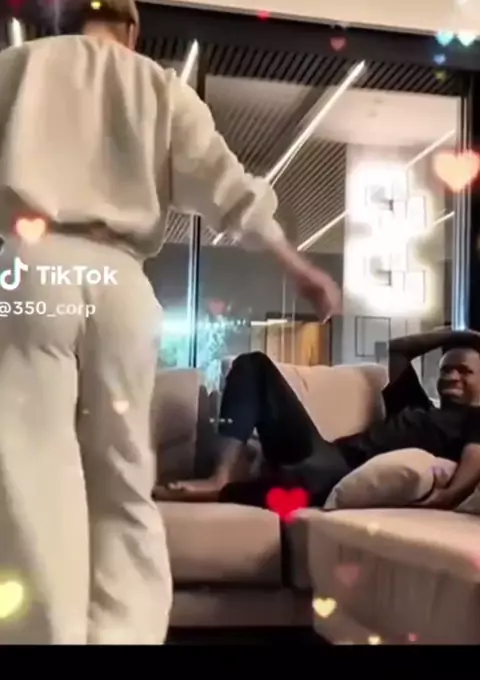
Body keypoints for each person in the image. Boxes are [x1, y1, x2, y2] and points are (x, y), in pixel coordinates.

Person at [0, 0, 340, 645]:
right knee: (123, 470)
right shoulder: (160, 88)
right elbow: (230, 190)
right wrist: (299, 268)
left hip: (32, 265)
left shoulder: (18, 67)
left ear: (62, 21)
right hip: (120, 281)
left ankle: (47, 636)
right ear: (132, 27)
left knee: (31, 461)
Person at [155, 328, 480, 511]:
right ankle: (220, 478)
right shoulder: (416, 404)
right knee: (252, 364)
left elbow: (474, 459)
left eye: (464, 371)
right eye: (446, 370)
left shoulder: (475, 419)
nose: (452, 376)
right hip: (327, 454)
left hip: (344, 474)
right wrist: (458, 336)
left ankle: (227, 493)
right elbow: (397, 349)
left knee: (307, 478)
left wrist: (447, 497)